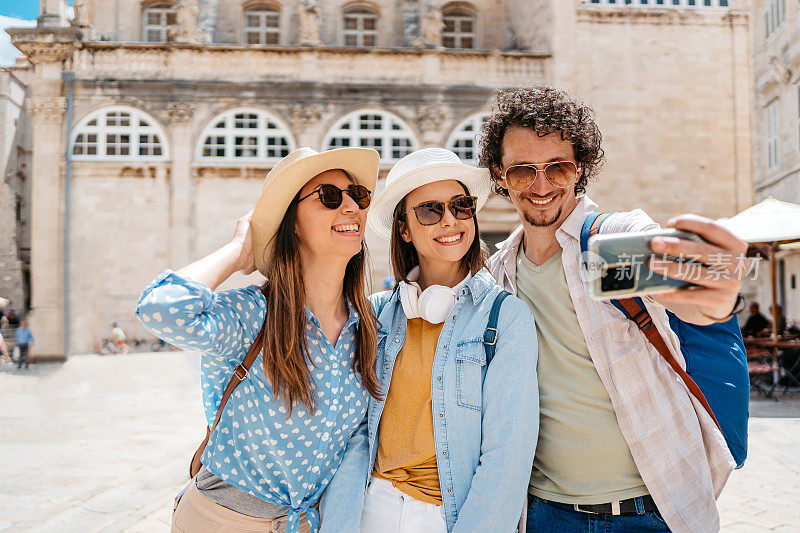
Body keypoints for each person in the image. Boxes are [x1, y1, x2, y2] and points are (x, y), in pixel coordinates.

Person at [480, 86, 747, 533]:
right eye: (524, 171)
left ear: (579, 168)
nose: (542, 186)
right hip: (543, 512)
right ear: (500, 175)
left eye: (557, 167)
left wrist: (718, 303)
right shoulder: (499, 274)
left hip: (654, 509)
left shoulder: (610, 245)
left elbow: (686, 295)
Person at [135, 147, 382, 533]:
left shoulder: (367, 326)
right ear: (293, 223)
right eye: (330, 197)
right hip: (224, 520)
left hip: (303, 524)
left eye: (359, 195)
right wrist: (238, 252)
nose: (351, 206)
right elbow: (163, 308)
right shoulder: (254, 315)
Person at [320, 148, 539, 532]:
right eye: (430, 210)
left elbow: (507, 459)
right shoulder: (375, 314)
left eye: (461, 205)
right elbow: (350, 436)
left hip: (448, 518)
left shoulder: (506, 319)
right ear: (404, 228)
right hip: (369, 509)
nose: (450, 221)